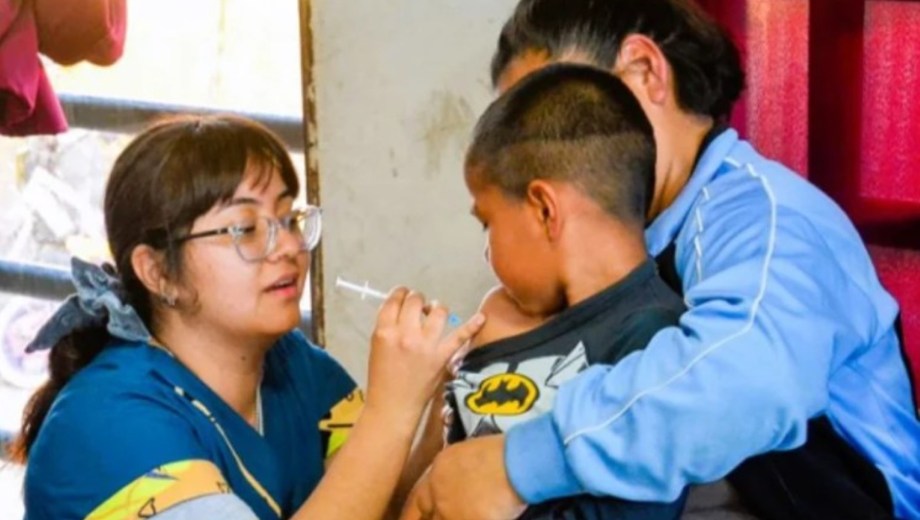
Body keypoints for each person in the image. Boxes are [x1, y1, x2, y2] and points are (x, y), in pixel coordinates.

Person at [411, 1, 920, 519]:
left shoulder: (766, 217)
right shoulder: (631, 247)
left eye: (554, 109)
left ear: (644, 71)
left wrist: (517, 463)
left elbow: (746, 387)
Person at [12, 115, 483, 520]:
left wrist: (438, 402)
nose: (289, 247)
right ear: (158, 273)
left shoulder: (299, 368)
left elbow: (378, 502)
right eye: (245, 229)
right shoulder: (107, 422)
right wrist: (391, 411)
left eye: (289, 219)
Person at [404, 64, 689, 519]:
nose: (486, 253)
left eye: (487, 223)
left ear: (543, 209)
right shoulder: (502, 321)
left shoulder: (655, 345)